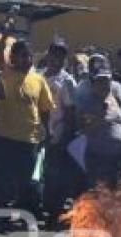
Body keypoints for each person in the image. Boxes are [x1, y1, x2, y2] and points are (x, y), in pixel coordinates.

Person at [0, 28, 55, 217]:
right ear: (13, 57)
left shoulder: (39, 79)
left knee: (31, 181)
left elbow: (45, 109)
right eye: (23, 56)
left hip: (30, 139)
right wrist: (5, 33)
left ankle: (29, 213)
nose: (27, 59)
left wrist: (47, 132)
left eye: (29, 56)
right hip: (6, 138)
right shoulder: (6, 73)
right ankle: (2, 216)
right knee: (4, 181)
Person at [76, 56, 121, 189]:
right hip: (98, 159)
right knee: (99, 195)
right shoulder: (87, 102)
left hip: (118, 158)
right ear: (92, 82)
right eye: (99, 81)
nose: (103, 84)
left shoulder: (116, 97)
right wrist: (100, 116)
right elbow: (84, 130)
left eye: (106, 80)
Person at [40, 39, 78, 222]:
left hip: (57, 135)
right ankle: (43, 206)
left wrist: (64, 136)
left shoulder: (67, 81)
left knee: (56, 174)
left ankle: (54, 211)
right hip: (37, 134)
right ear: (48, 54)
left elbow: (71, 112)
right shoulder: (38, 76)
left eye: (61, 54)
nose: (57, 58)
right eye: (54, 53)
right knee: (43, 173)